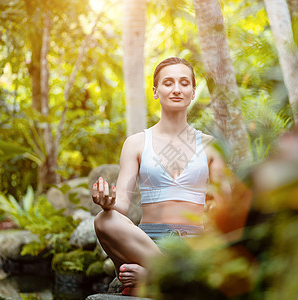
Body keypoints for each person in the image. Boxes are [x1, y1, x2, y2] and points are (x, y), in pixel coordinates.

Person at [92, 57, 225, 295]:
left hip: (194, 242)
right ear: (155, 91)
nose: (176, 89)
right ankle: (171, 274)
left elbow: (222, 209)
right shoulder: (136, 143)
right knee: (104, 220)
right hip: (148, 242)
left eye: (184, 83)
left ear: (193, 92)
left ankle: (153, 275)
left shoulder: (211, 146)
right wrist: (107, 202)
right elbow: (121, 203)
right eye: (168, 83)